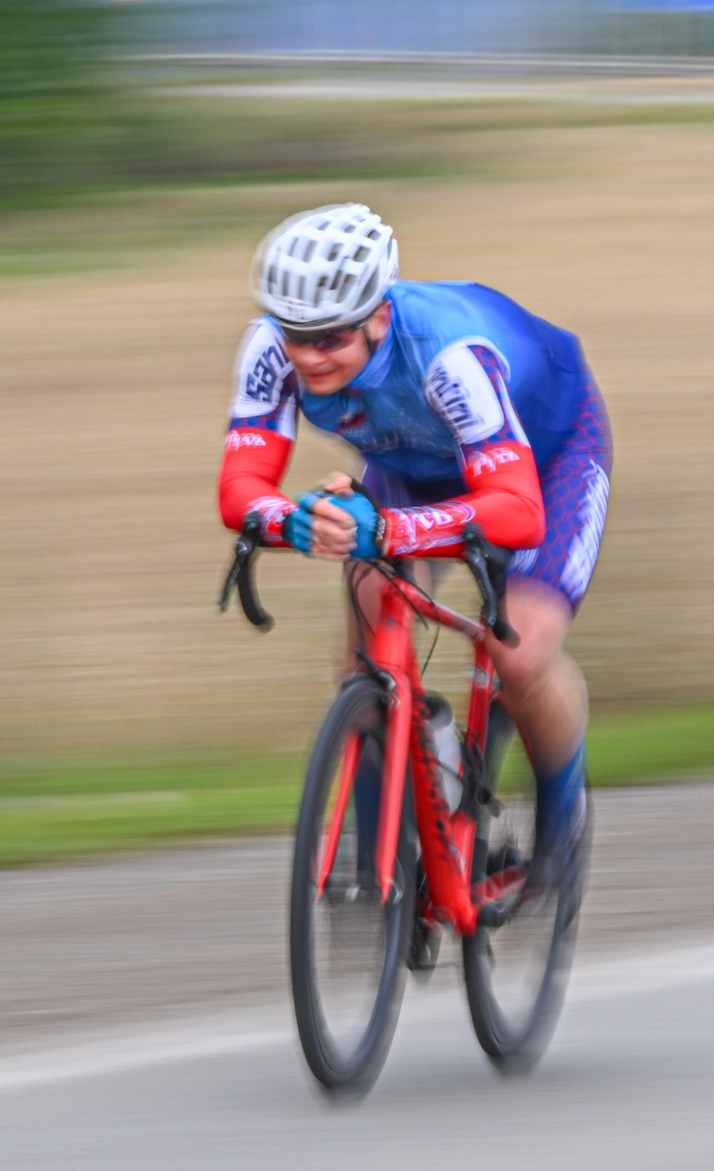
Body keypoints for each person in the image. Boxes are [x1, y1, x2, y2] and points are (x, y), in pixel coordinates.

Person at [216, 203, 611, 871]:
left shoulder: (451, 357)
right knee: (366, 644)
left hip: (544, 462)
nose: (308, 355)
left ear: (378, 316)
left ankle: (561, 821)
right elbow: (240, 487)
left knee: (517, 652)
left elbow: (518, 513)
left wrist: (389, 529)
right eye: (295, 334)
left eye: (330, 338)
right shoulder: (272, 347)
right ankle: (383, 862)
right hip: (415, 463)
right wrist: (298, 520)